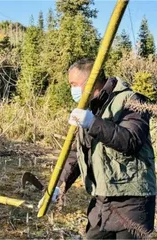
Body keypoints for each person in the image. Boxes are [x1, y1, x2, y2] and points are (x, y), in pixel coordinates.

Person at [51, 58, 156, 239]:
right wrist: (60, 185)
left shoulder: (131, 100)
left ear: (90, 81)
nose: (72, 90)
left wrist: (93, 123)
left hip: (132, 202)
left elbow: (131, 141)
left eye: (74, 84)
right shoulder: (90, 108)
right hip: (102, 202)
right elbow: (79, 153)